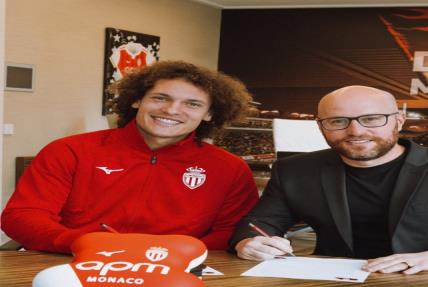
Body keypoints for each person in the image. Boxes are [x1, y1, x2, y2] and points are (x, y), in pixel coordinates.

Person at [231, 85, 428, 275]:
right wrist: (250, 242)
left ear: (399, 120)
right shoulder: (295, 171)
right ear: (321, 126)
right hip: (334, 286)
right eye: (338, 121)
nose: (356, 131)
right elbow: (259, 223)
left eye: (371, 119)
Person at [1, 61, 259, 253]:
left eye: (192, 104)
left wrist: (172, 253)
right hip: (72, 261)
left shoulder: (230, 169)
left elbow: (232, 231)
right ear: (137, 100)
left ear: (210, 114)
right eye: (160, 98)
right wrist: (84, 243)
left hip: (175, 270)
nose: (171, 110)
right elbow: (22, 216)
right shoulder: (70, 151)